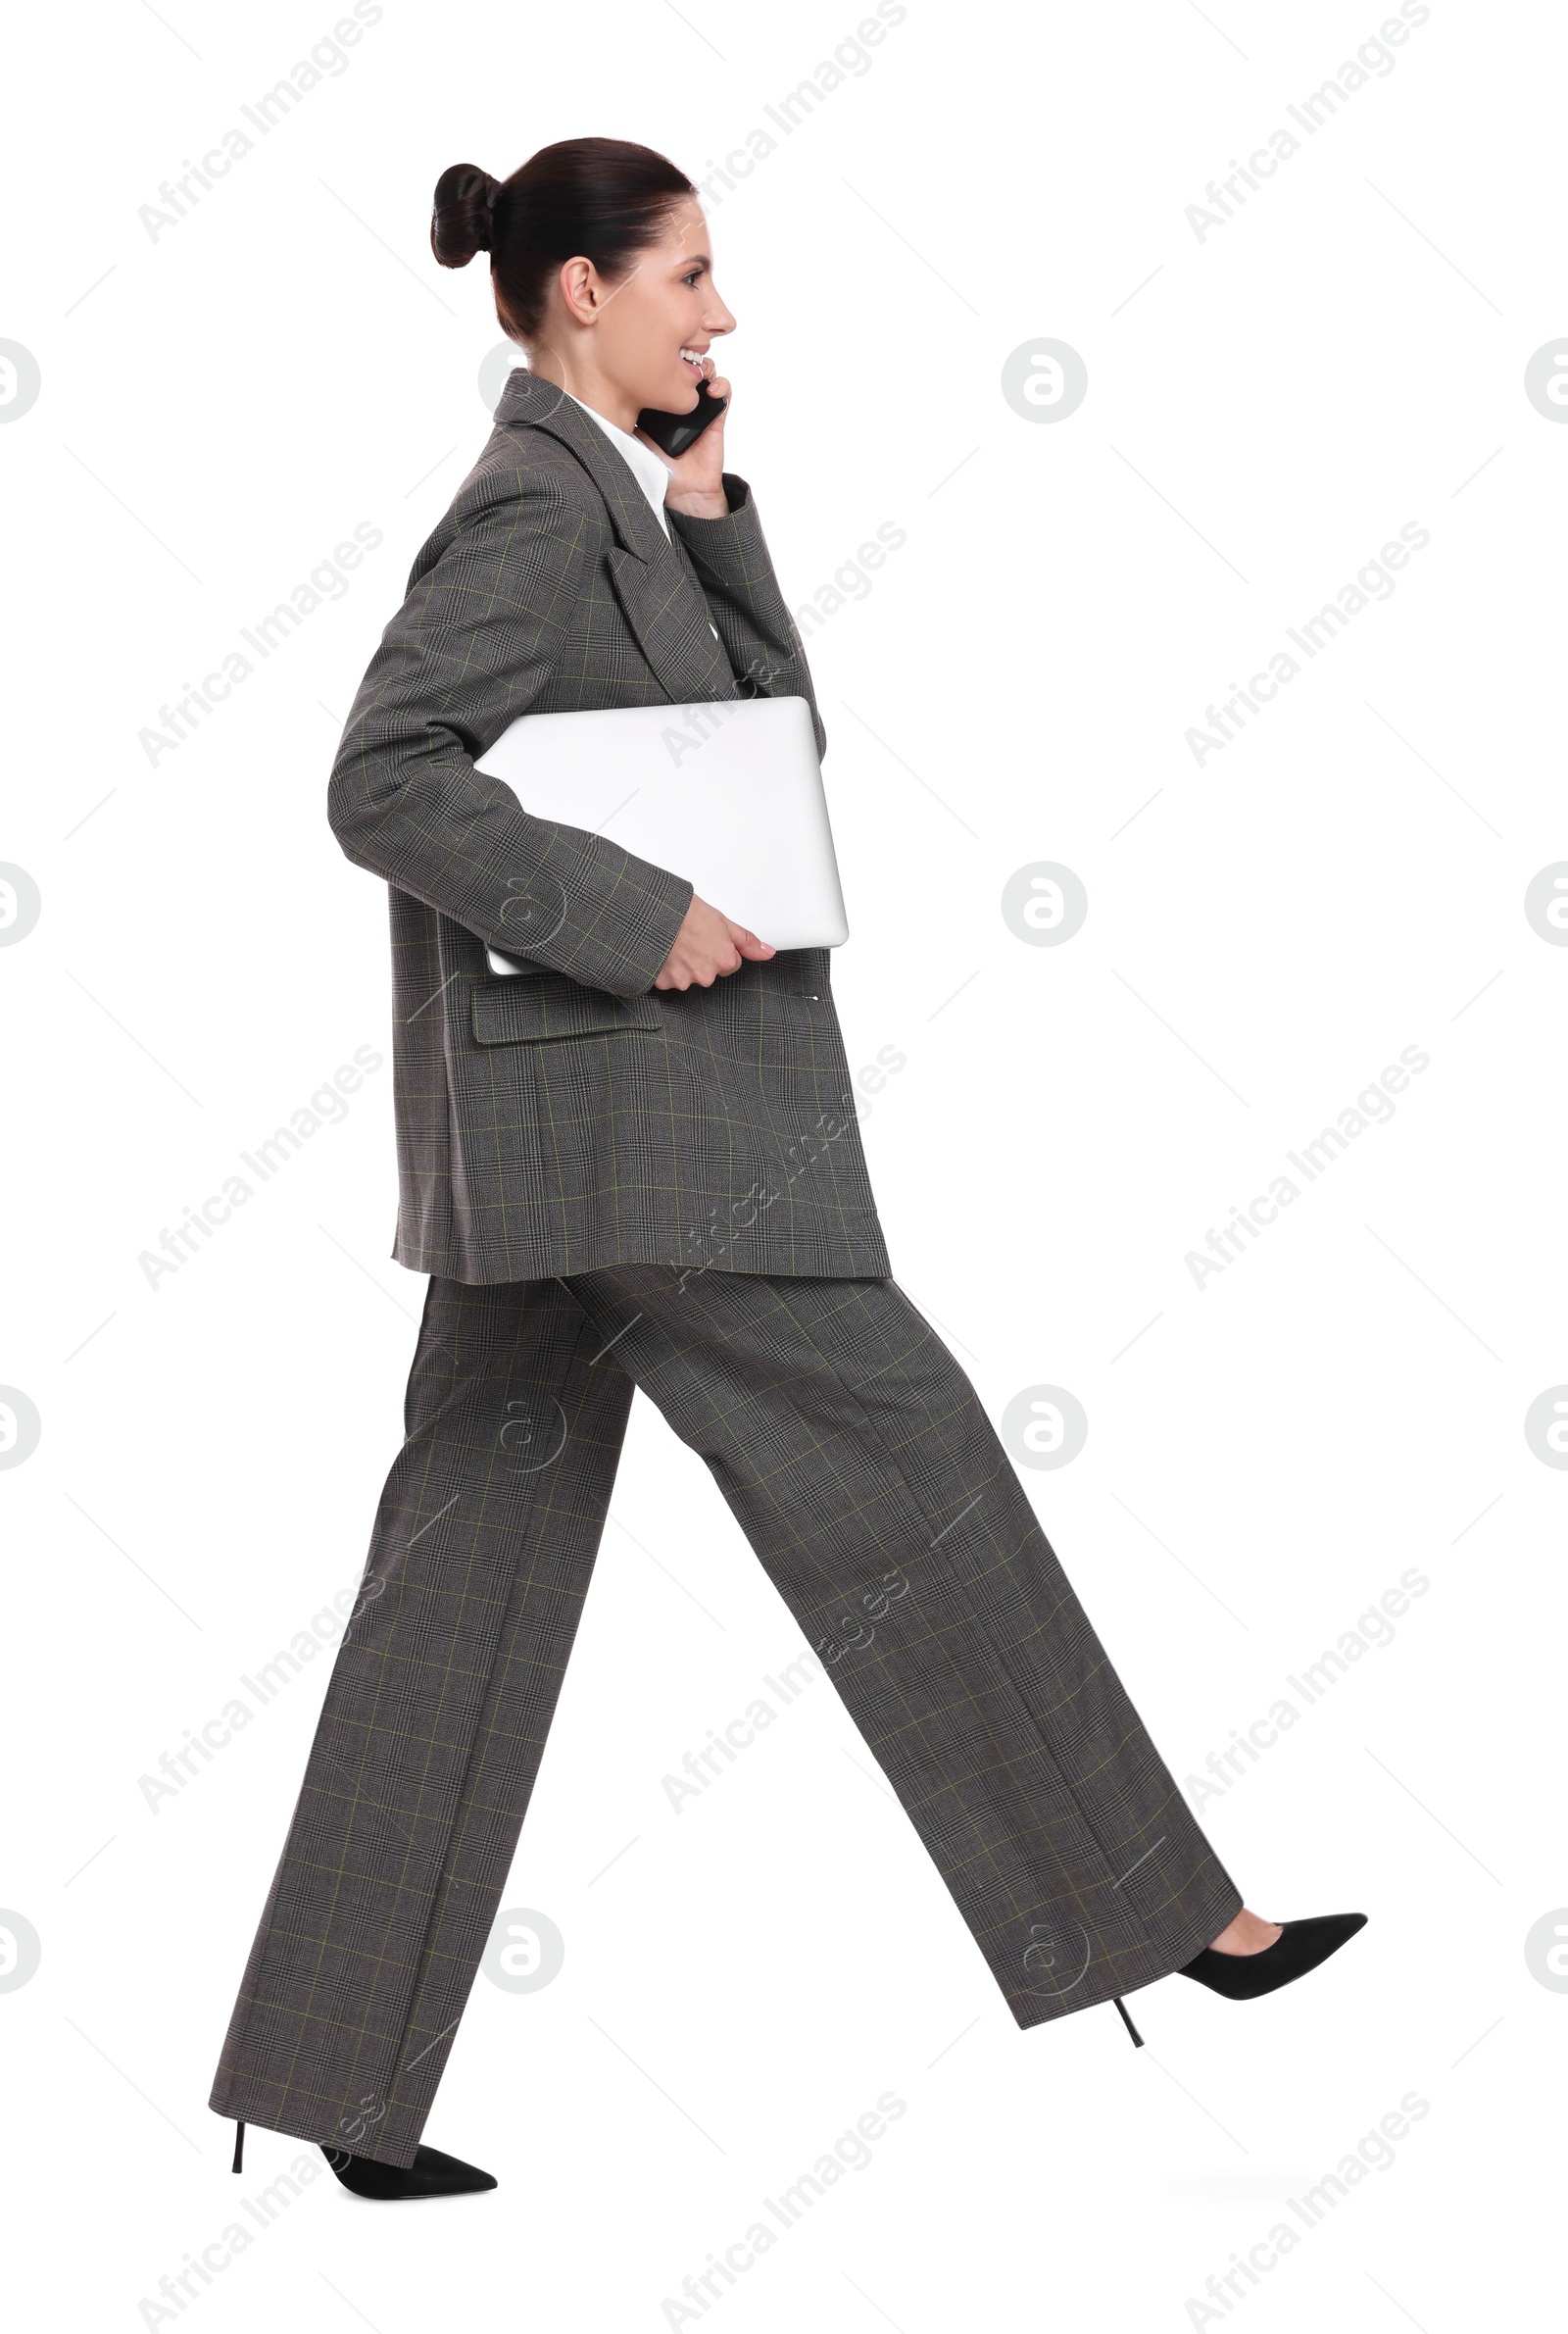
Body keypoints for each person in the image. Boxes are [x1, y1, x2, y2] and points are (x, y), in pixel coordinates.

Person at [208, 137, 1364, 2203]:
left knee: (455, 1586)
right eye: (690, 279)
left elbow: (773, 755)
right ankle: (1161, 1916)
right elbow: (380, 780)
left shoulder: (618, 503)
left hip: (567, 1155)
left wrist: (716, 518)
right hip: (650, 1139)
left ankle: (325, 2087)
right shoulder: (524, 506)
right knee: (915, 1470)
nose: (718, 315)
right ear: (582, 293)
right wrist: (623, 909)